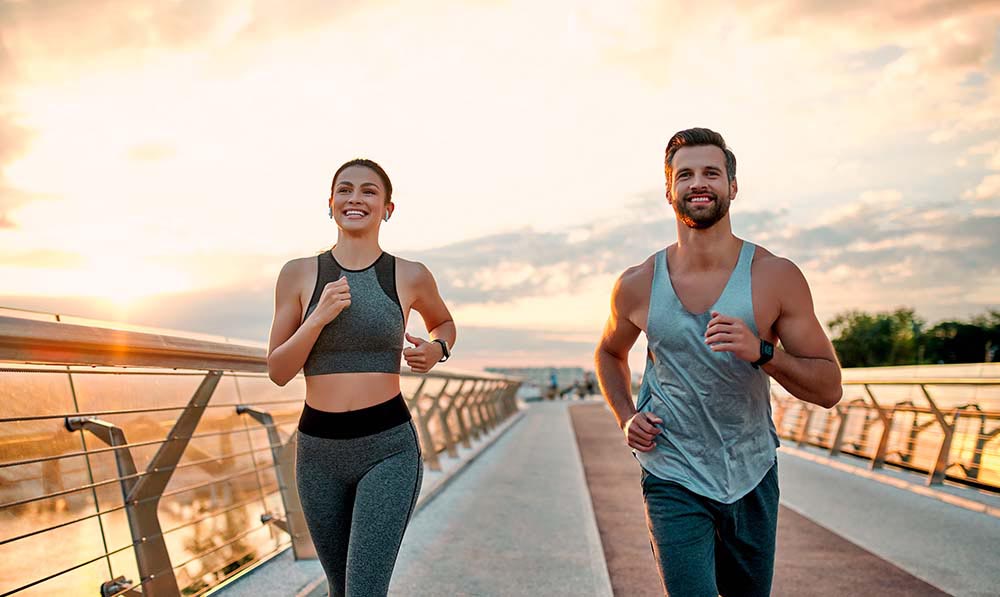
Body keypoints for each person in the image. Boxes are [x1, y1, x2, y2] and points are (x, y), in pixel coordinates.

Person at [594, 128, 842, 596]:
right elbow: (609, 352)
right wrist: (625, 416)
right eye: (684, 174)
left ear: (732, 186)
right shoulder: (637, 282)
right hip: (672, 471)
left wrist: (763, 352)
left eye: (711, 172)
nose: (698, 183)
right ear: (669, 190)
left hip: (751, 473)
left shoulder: (775, 276)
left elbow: (829, 388)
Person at [266, 158, 456, 597]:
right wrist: (317, 319)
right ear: (330, 203)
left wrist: (437, 348)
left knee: (364, 591)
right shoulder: (298, 273)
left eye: (369, 191)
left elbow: (443, 323)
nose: (356, 198)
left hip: (387, 447)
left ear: (388, 208)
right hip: (317, 452)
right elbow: (278, 370)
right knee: (339, 590)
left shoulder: (409, 274)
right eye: (345, 190)